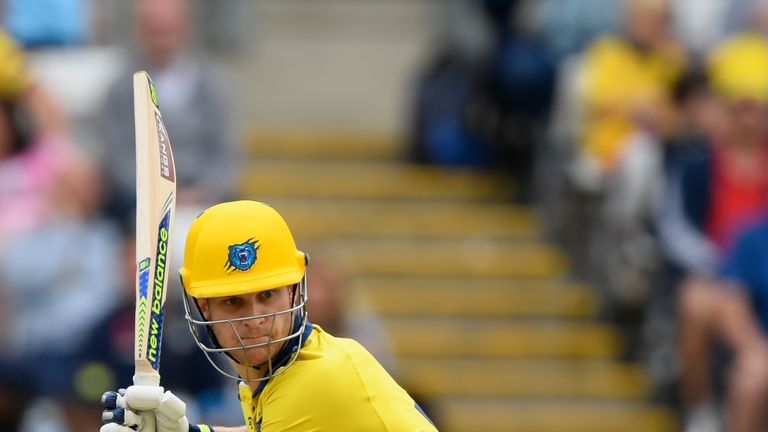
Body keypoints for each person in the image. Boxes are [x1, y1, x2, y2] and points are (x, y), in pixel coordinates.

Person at [100, 201, 437, 432]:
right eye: (233, 301)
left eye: (267, 295)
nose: (256, 318)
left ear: (293, 290)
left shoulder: (318, 377)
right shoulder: (282, 372)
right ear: (203, 307)